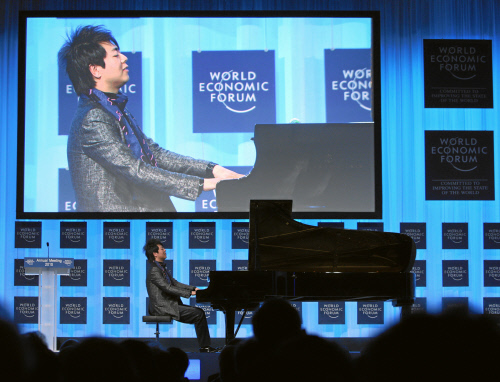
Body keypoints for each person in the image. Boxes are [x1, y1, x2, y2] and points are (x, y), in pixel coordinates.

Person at [58, 25, 242, 212]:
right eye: (115, 55)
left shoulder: (114, 108)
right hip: (119, 231)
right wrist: (203, 183)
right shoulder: (94, 117)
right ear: (96, 69)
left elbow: (155, 155)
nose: (124, 58)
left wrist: (212, 169)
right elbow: (133, 169)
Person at [143, 238, 217, 352]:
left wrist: (193, 288)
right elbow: (167, 288)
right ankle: (205, 347)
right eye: (162, 249)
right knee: (198, 313)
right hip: (162, 307)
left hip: (168, 304)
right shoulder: (154, 270)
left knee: (199, 313)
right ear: (155, 253)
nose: (165, 250)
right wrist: (190, 293)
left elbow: (175, 283)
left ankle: (205, 346)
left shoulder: (160, 268)